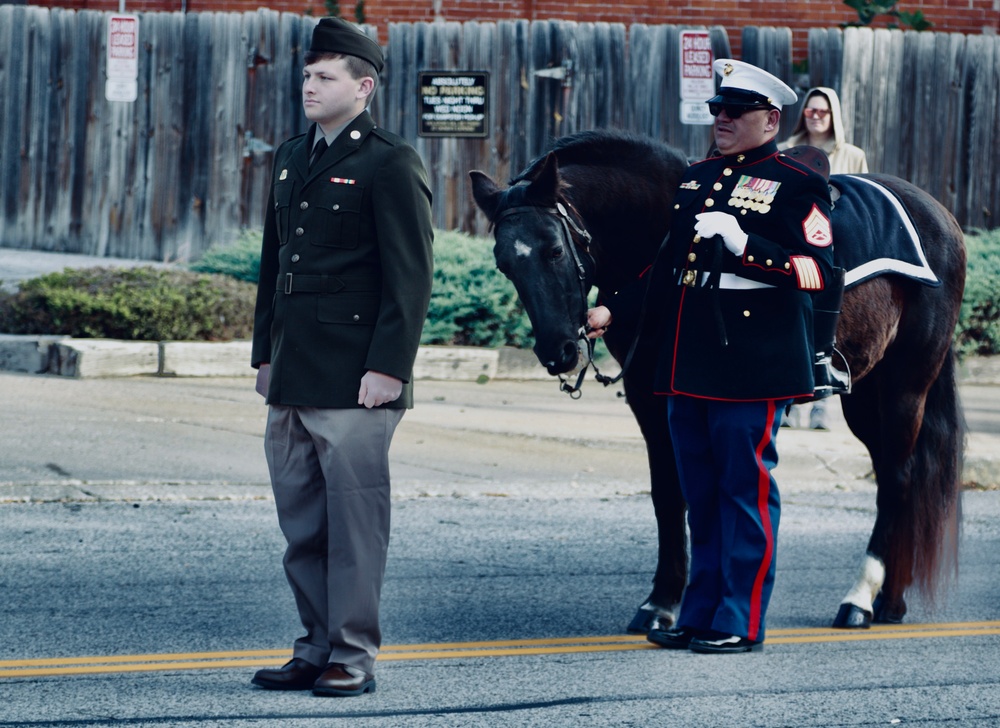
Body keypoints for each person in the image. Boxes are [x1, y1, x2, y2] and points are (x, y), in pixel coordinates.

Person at [586, 60, 836, 653]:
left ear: (771, 120)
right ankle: (699, 613)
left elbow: (819, 271)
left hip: (752, 360)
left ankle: (739, 620)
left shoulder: (796, 182)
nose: (721, 119)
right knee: (700, 492)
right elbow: (667, 266)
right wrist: (612, 310)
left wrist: (747, 246)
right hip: (688, 358)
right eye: (716, 109)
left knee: (743, 494)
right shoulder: (697, 177)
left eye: (735, 111)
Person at [249, 17, 434, 697]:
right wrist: (263, 353)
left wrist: (390, 368)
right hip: (294, 372)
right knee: (302, 526)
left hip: (358, 379)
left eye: (324, 76)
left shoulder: (389, 160)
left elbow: (409, 275)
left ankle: (352, 656)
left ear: (363, 87)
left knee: (355, 532)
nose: (310, 85)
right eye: (306, 75)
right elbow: (277, 264)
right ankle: (313, 645)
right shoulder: (293, 154)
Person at [780, 87, 867, 430]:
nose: (815, 117)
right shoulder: (788, 150)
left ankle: (822, 406)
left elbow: (860, 200)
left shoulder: (852, 155)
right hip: (794, 247)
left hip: (837, 250)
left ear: (834, 116)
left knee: (828, 331)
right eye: (810, 111)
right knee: (790, 321)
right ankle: (789, 403)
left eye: (823, 112)